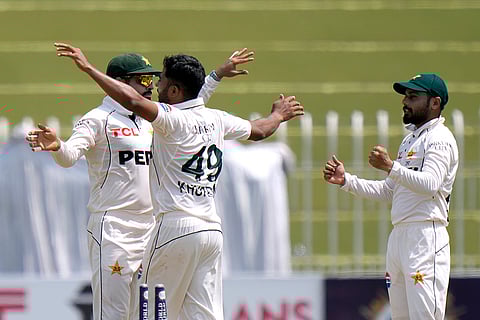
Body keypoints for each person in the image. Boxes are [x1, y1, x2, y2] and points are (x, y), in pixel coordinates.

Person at [54, 42, 304, 320]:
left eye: (158, 81)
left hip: (172, 227)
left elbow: (138, 102)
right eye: (147, 80)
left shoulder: (167, 119)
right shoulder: (215, 118)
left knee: (146, 313)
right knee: (202, 315)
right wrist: (277, 114)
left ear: (173, 90)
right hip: (209, 232)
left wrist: (88, 68)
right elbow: (257, 129)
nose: (154, 88)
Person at [323, 73, 458, 319]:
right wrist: (346, 181)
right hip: (399, 237)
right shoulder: (410, 140)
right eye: (406, 96)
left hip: (425, 236)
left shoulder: (440, 139)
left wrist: (390, 166)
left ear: (434, 103)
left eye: (413, 96)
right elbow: (389, 191)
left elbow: (430, 184)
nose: (405, 101)